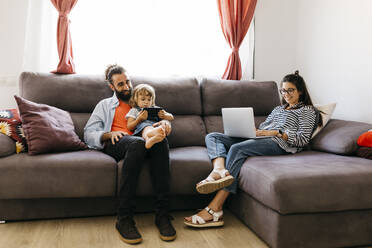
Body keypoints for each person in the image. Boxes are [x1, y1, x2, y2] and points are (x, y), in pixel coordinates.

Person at [184, 70, 321, 227]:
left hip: (279, 143)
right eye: (283, 90)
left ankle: (215, 208)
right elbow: (263, 126)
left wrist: (276, 132)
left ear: (300, 91)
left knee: (237, 149)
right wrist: (251, 131)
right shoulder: (278, 109)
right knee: (213, 137)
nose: (286, 94)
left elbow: (302, 139)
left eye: (290, 90)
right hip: (261, 137)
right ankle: (219, 170)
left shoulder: (308, 111)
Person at [84, 64, 176, 244]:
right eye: (120, 84)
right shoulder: (105, 105)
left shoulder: (143, 100)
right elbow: (88, 132)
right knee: (137, 143)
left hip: (144, 141)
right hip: (119, 142)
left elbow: (160, 119)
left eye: (128, 82)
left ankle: (162, 215)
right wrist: (108, 134)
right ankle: (124, 218)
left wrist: (165, 126)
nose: (126, 87)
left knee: (160, 142)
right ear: (111, 87)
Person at [126, 84, 174, 149]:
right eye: (143, 99)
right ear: (136, 99)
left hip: (156, 126)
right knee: (146, 126)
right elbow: (129, 127)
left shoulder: (156, 109)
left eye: (149, 100)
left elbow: (171, 117)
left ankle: (157, 135)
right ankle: (148, 139)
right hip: (143, 129)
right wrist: (139, 119)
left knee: (164, 125)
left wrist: (165, 116)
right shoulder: (134, 110)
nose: (146, 102)